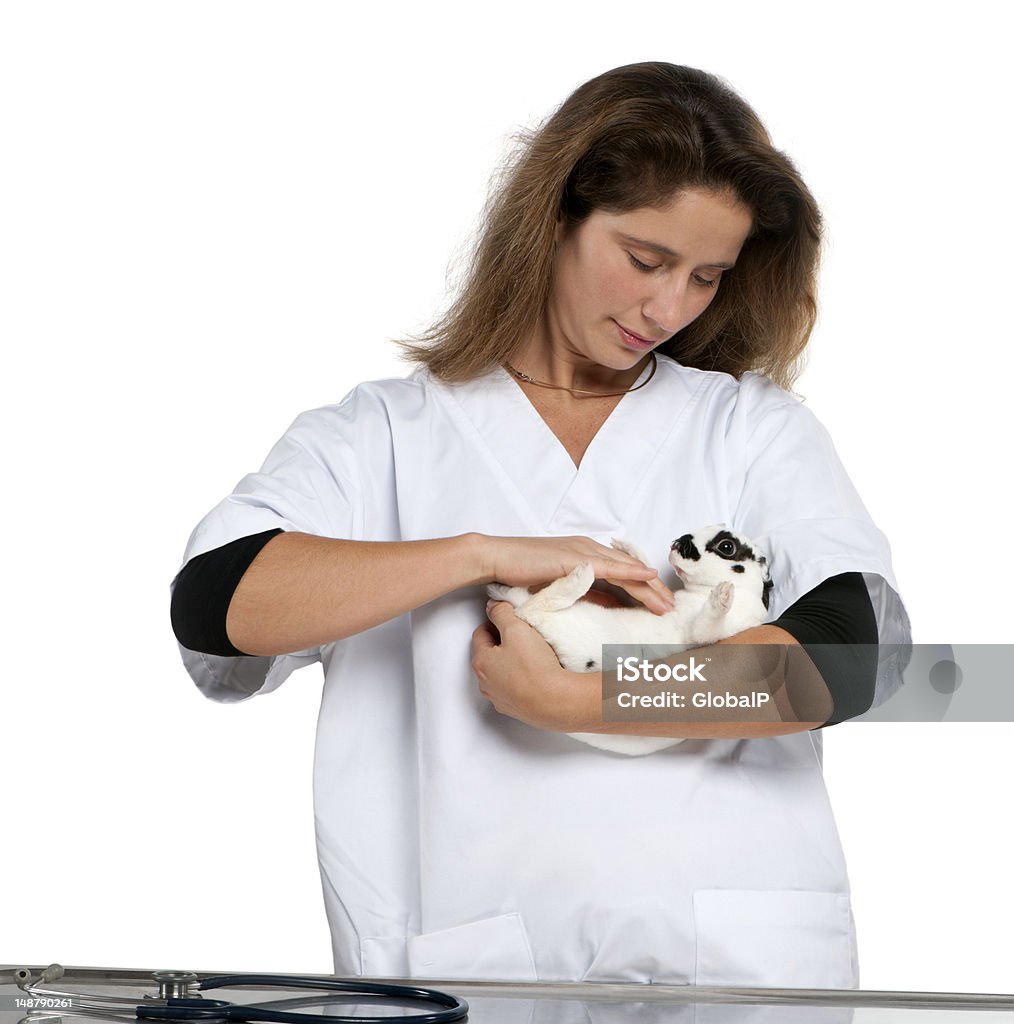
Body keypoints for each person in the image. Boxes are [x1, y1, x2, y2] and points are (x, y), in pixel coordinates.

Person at [171, 62, 909, 987]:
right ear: (553, 217)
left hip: (740, 972)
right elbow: (215, 603)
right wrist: (480, 552)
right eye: (645, 260)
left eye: (707, 277)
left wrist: (582, 701)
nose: (668, 308)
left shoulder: (748, 428)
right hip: (474, 964)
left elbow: (854, 654)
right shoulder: (384, 438)